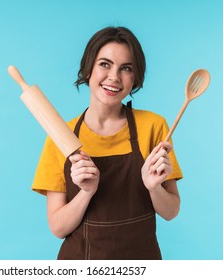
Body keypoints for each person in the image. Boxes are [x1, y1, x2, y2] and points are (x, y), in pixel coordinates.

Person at [31, 26, 183, 260]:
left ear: (135, 78)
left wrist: (153, 187)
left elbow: (171, 211)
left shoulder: (153, 126)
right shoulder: (61, 135)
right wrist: (85, 192)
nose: (114, 76)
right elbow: (58, 227)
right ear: (88, 68)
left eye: (126, 68)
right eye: (105, 64)